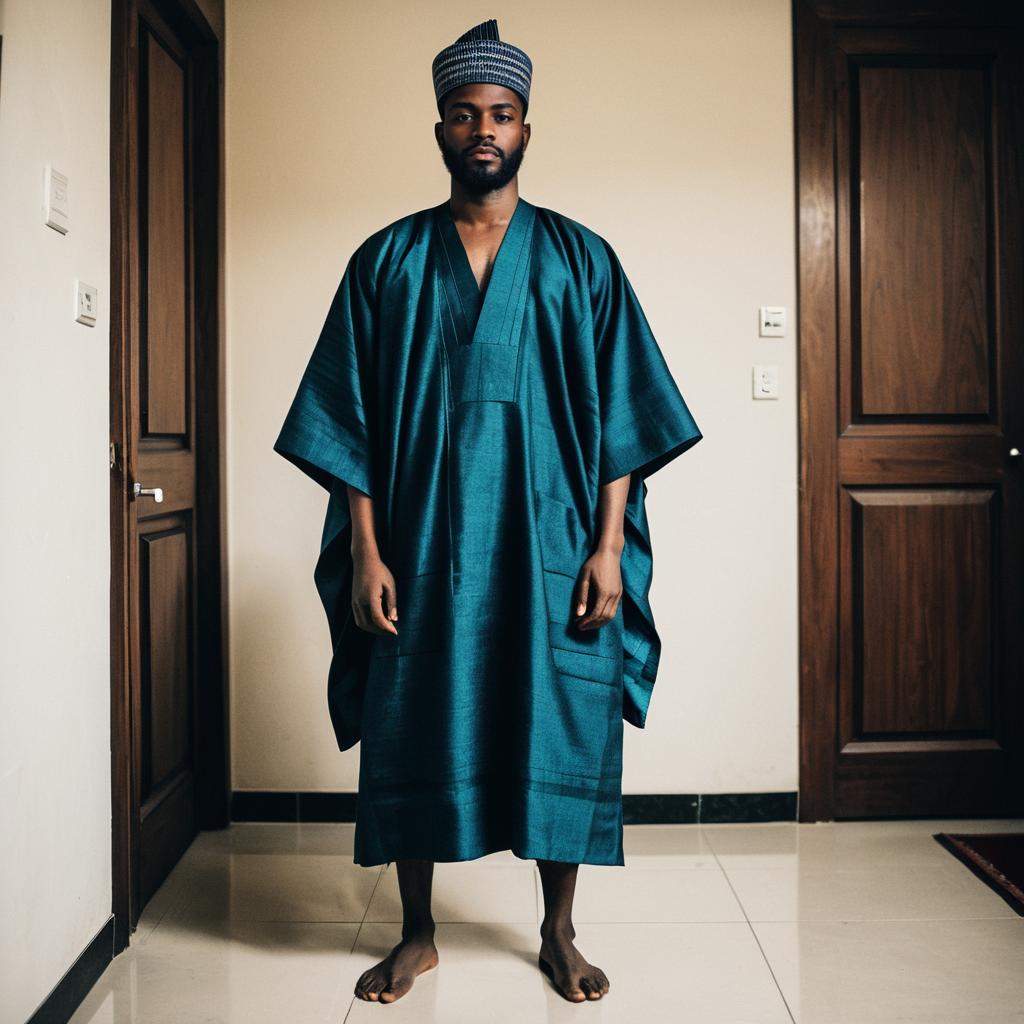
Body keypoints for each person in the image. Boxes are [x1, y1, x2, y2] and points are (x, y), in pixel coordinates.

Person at [274, 17, 703, 1005]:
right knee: (411, 714)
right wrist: (369, 552)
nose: (483, 130)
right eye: (465, 114)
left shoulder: (581, 262)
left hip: (552, 545)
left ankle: (557, 929)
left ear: (525, 129)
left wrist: (606, 547)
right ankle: (416, 931)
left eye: (501, 115)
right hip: (422, 548)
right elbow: (347, 422)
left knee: (562, 713)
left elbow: (625, 424)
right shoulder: (384, 263)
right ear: (439, 130)